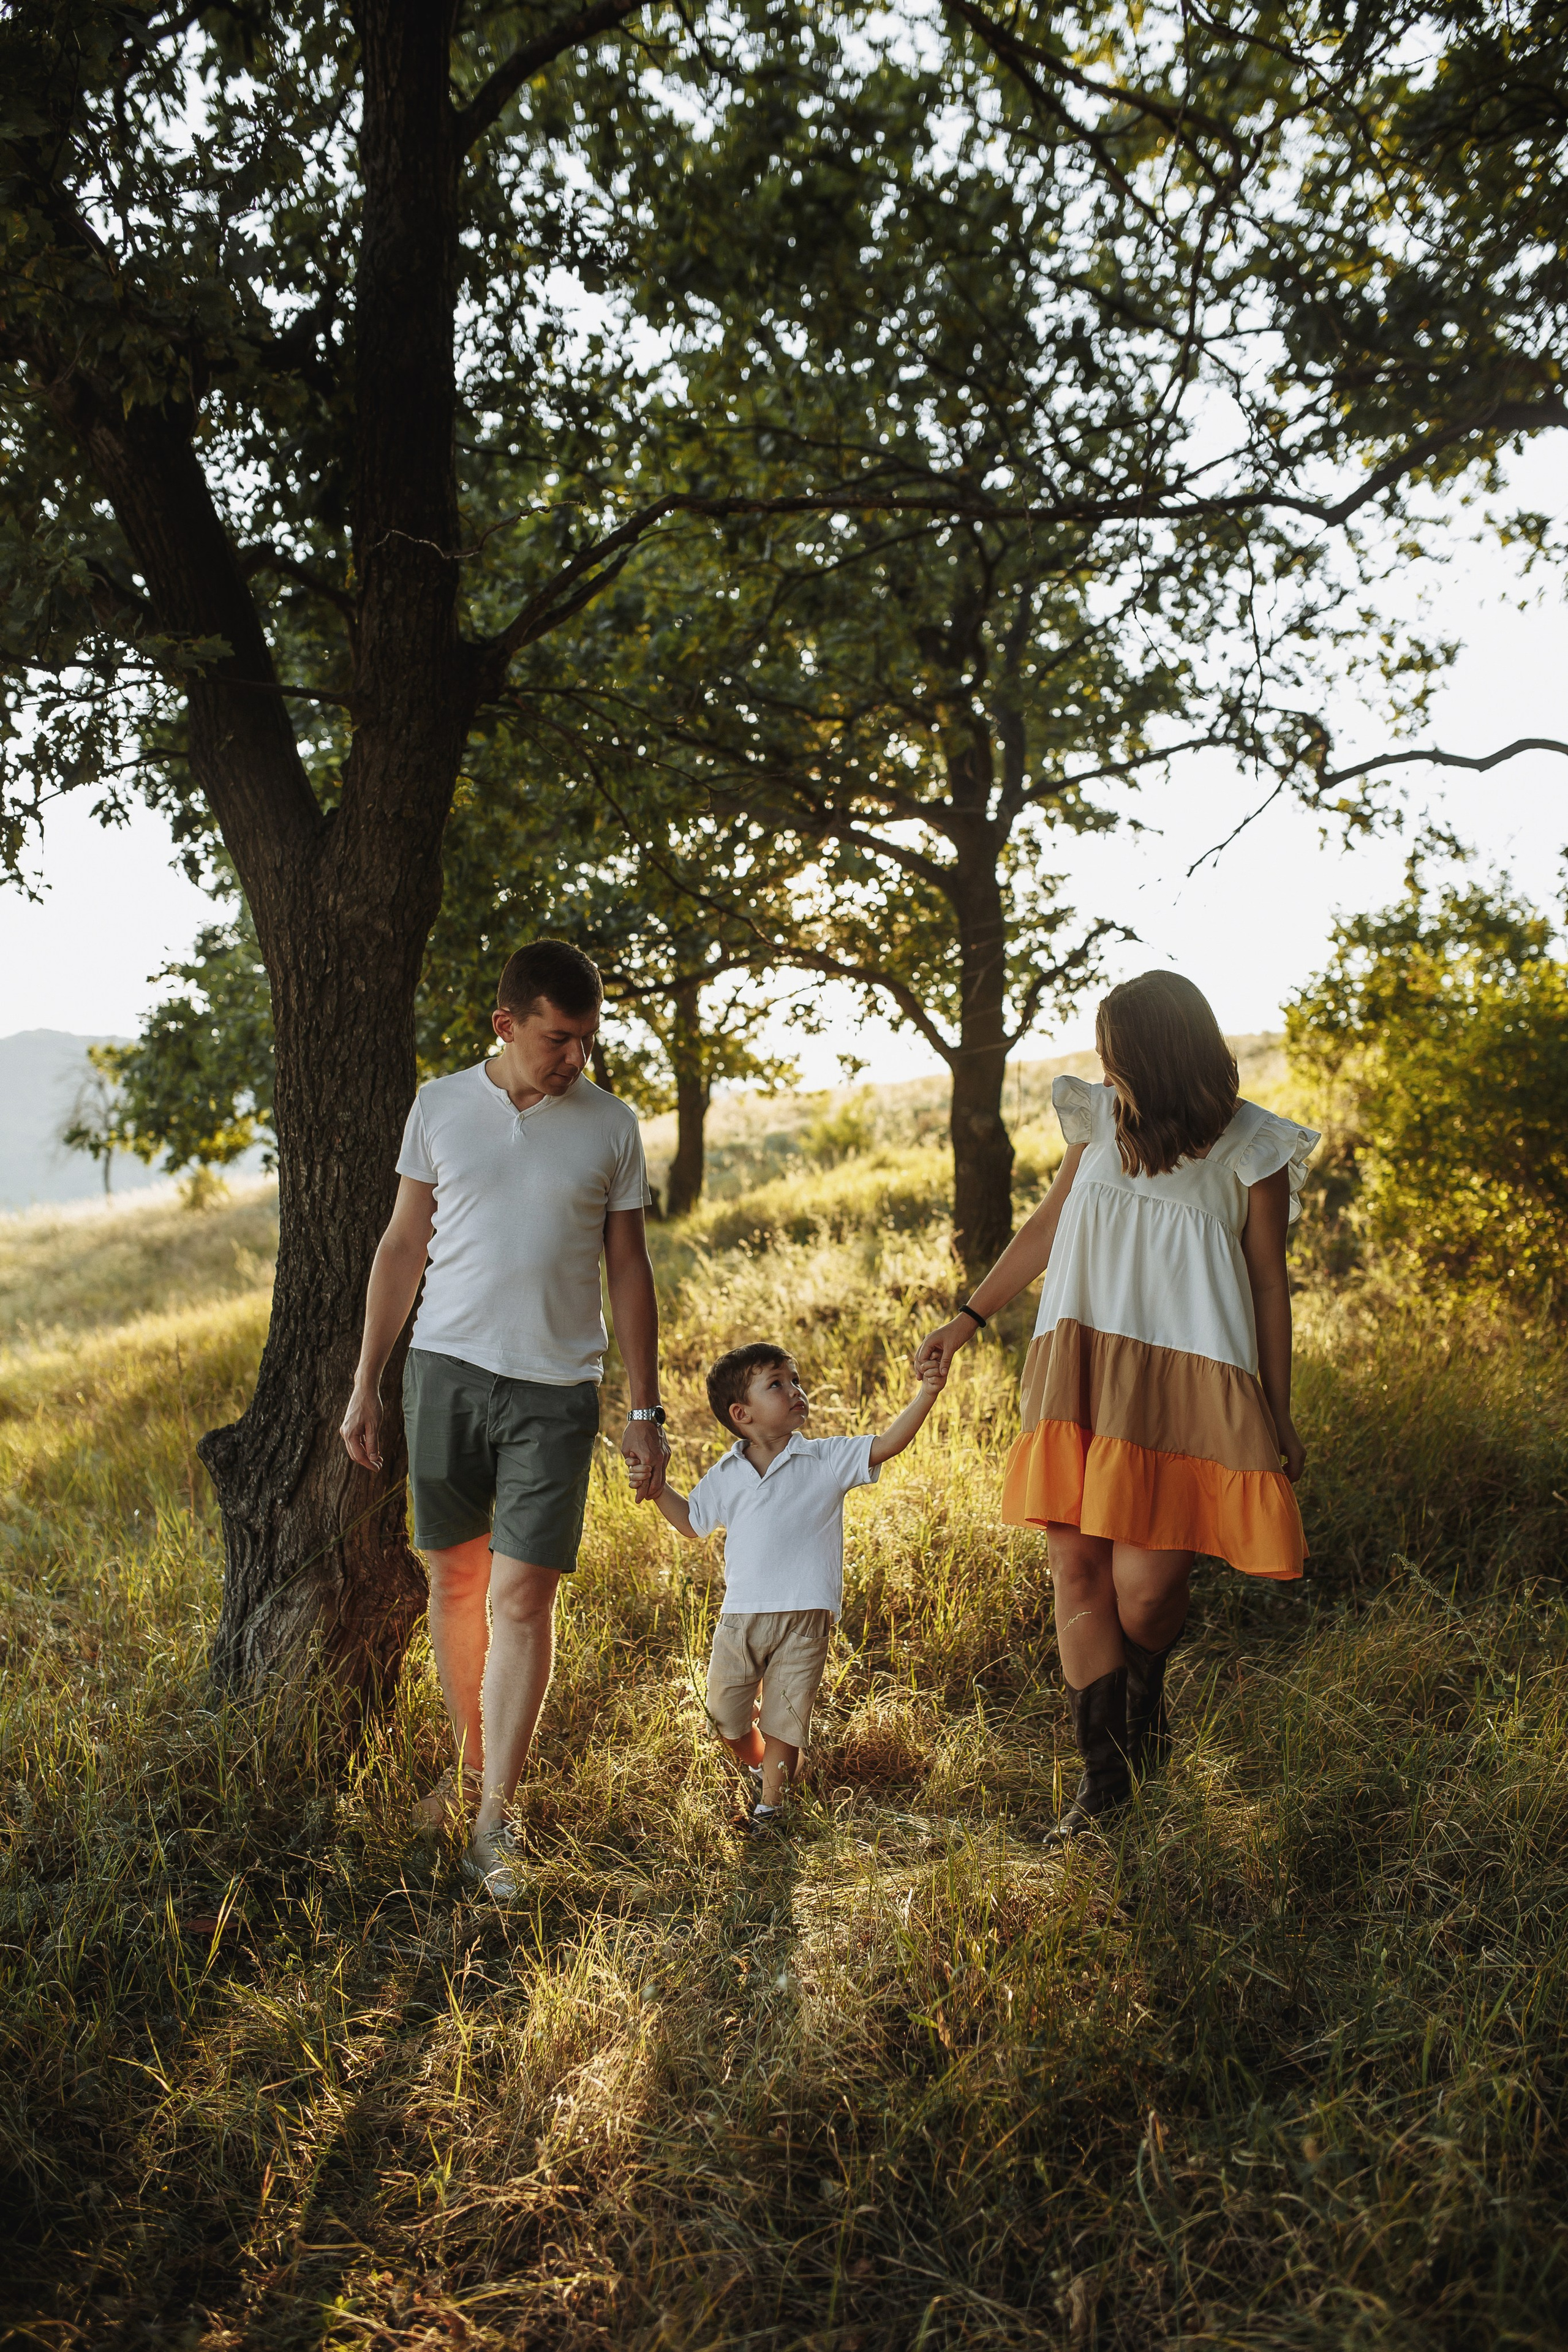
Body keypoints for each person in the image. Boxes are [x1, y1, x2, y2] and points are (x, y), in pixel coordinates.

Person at [917, 970, 1318, 1845]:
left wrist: (1277, 1411)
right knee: (1076, 1570)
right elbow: (1047, 1226)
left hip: (1189, 1383)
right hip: (1083, 1363)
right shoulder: (1098, 1119)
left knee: (1145, 1591)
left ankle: (1146, 1704)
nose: (1103, 1066)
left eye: (1115, 1052)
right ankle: (1105, 1783)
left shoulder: (1253, 1148)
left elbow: (1268, 1286)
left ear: (1157, 1055)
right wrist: (967, 1319)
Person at [339, 938, 669, 1899]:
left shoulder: (611, 1126)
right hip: (443, 1374)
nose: (575, 1057)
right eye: (558, 1038)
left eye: (587, 1040)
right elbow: (402, 1246)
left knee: (523, 1597)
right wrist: (366, 1382)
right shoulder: (440, 1106)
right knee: (455, 1582)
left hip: (556, 1391)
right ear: (506, 1024)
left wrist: (644, 1407)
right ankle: (472, 1766)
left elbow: (629, 1269)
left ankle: (495, 1820)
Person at [649, 1342, 946, 1831]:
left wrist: (928, 1393)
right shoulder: (726, 1474)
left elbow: (888, 1443)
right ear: (741, 1414)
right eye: (777, 1384)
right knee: (725, 1717)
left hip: (805, 1615)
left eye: (795, 1380)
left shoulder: (824, 1458)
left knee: (785, 1717)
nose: (795, 1391)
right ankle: (761, 1764)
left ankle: (771, 1808)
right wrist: (658, 1487)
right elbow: (691, 1522)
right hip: (740, 1617)